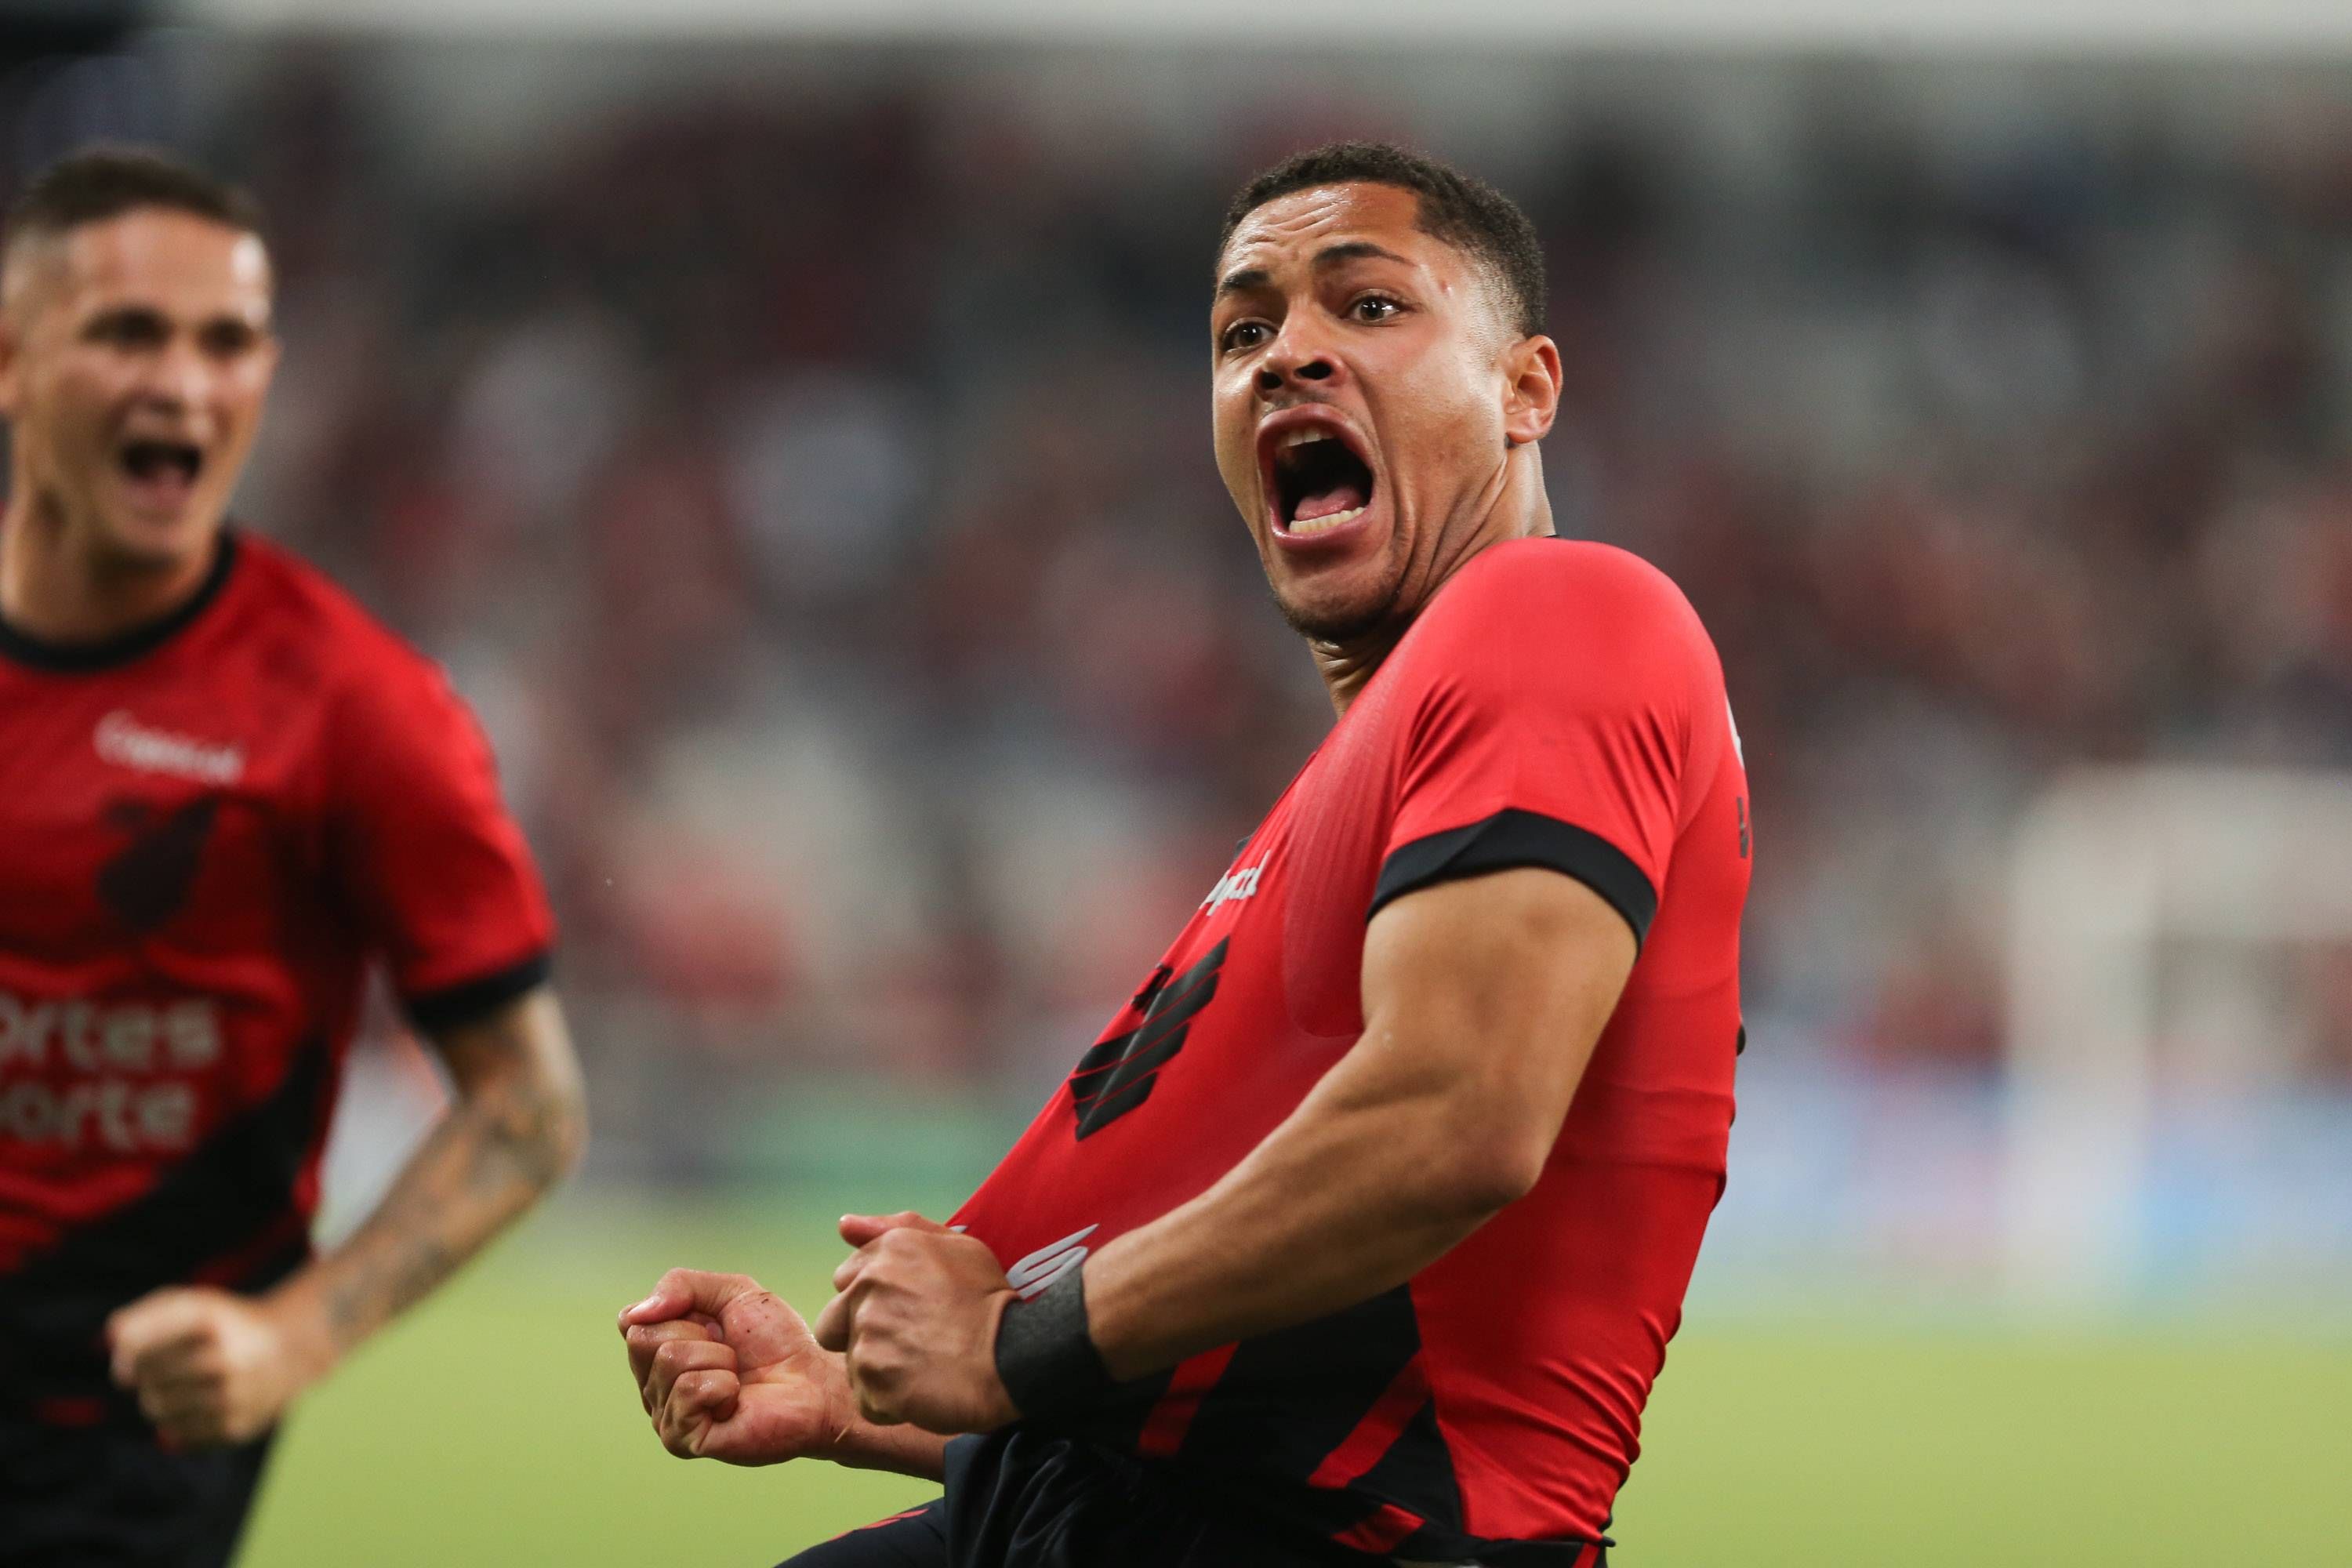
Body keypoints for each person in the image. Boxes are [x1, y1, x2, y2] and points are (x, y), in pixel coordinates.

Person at [622, 140, 1749, 1568]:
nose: (1289, 358)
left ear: (1527, 389)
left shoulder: (1568, 610)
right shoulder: (1333, 811)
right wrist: (853, 1391)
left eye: (1371, 306)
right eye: (1244, 331)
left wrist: (1012, 1344)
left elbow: (1453, 1120)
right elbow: (1231, 1362)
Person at [0, 147, 587, 1567]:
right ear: (13, 359)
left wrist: (291, 1337)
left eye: (228, 342)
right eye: (130, 331)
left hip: (110, 1456)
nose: (185, 387)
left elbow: (528, 1111)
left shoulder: (356, 712)